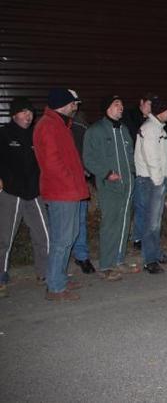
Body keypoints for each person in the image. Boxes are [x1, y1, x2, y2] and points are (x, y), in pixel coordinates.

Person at [33, 88, 90, 301]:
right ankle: (55, 287)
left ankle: (60, 279)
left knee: (70, 236)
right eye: (73, 104)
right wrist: (71, 181)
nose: (76, 107)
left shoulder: (59, 124)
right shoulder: (48, 126)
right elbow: (52, 163)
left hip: (69, 191)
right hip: (62, 192)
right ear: (64, 104)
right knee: (61, 239)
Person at [84, 94, 139, 280]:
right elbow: (88, 158)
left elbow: (131, 153)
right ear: (107, 107)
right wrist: (107, 173)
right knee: (110, 224)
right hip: (109, 185)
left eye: (122, 104)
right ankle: (106, 265)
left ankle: (118, 260)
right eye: (117, 104)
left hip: (128, 184)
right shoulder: (96, 130)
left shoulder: (123, 129)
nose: (121, 107)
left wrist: (133, 172)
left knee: (124, 223)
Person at [0, 98, 50, 298]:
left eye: (30, 111)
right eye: (23, 112)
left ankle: (44, 273)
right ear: (14, 114)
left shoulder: (35, 134)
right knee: (4, 238)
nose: (28, 115)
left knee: (44, 235)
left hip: (34, 193)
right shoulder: (4, 134)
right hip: (11, 193)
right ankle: (1, 277)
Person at [134, 97, 167, 274]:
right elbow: (151, 158)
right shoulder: (151, 129)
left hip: (155, 180)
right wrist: (159, 181)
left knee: (155, 222)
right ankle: (149, 260)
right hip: (151, 181)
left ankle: (156, 254)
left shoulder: (157, 127)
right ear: (161, 111)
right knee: (150, 223)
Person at [123, 92, 156, 251]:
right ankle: (137, 237)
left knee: (148, 204)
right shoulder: (130, 117)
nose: (151, 108)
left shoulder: (152, 119)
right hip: (136, 168)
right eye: (149, 104)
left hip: (150, 169)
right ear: (141, 102)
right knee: (140, 204)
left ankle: (145, 235)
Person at [70, 100, 96, 275]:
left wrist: (87, 169)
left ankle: (81, 255)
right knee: (63, 224)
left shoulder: (81, 124)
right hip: (62, 183)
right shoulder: (55, 125)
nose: (73, 106)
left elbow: (88, 150)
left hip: (80, 179)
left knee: (80, 220)